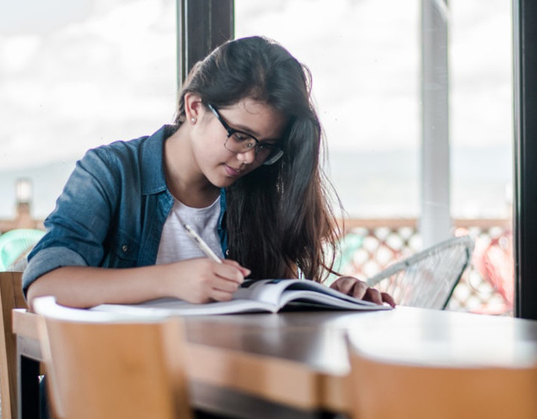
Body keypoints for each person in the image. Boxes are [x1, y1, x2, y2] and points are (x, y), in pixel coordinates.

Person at [23, 36, 395, 309]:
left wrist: (335, 298)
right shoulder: (111, 172)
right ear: (196, 106)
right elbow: (45, 286)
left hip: (217, 383)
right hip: (110, 383)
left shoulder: (256, 190)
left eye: (265, 145)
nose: (250, 157)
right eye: (240, 136)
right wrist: (171, 279)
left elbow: (275, 304)